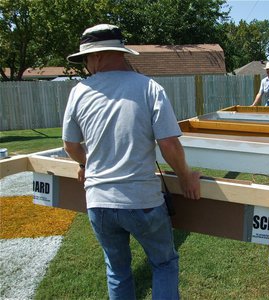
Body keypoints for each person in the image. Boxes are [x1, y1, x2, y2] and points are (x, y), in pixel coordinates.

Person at [62, 24, 201, 300]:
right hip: (143, 201)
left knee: (117, 270)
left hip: (99, 202)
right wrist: (186, 177)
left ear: (98, 56)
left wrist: (87, 165)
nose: (86, 66)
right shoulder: (149, 87)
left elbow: (70, 145)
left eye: (86, 59)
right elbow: (169, 144)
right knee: (163, 263)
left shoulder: (79, 92)